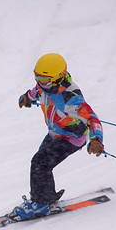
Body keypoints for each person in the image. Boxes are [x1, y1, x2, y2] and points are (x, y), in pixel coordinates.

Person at [12, 52, 104, 220]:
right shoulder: (45, 86)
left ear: (59, 77)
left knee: (40, 162)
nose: (40, 83)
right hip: (56, 133)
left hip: (71, 138)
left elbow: (92, 118)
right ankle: (46, 195)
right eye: (37, 77)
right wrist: (27, 97)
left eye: (45, 80)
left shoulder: (71, 98)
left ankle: (41, 204)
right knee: (40, 162)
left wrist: (96, 140)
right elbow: (37, 91)